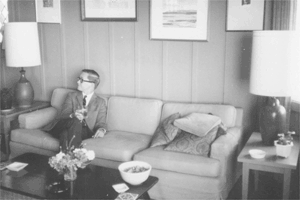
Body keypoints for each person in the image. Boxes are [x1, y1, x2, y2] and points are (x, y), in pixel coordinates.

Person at [43, 69, 107, 151]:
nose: (77, 82)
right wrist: (73, 115)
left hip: (83, 131)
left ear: (91, 84)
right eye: (78, 79)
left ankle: (66, 161)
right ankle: (75, 160)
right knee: (75, 121)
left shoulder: (100, 102)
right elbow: (63, 114)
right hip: (62, 125)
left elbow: (101, 123)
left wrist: (101, 130)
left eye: (81, 80)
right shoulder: (71, 96)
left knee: (65, 134)